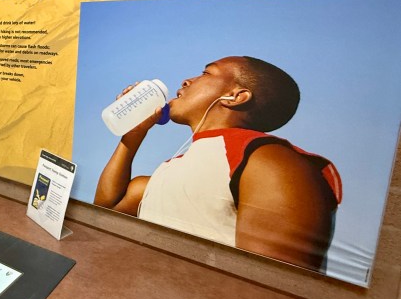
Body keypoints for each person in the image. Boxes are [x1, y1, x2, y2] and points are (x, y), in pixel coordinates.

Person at [94, 56, 341, 271]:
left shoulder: (270, 160)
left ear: (235, 96)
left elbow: (274, 288)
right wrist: (133, 133)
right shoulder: (172, 169)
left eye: (206, 72)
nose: (186, 81)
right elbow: (107, 210)